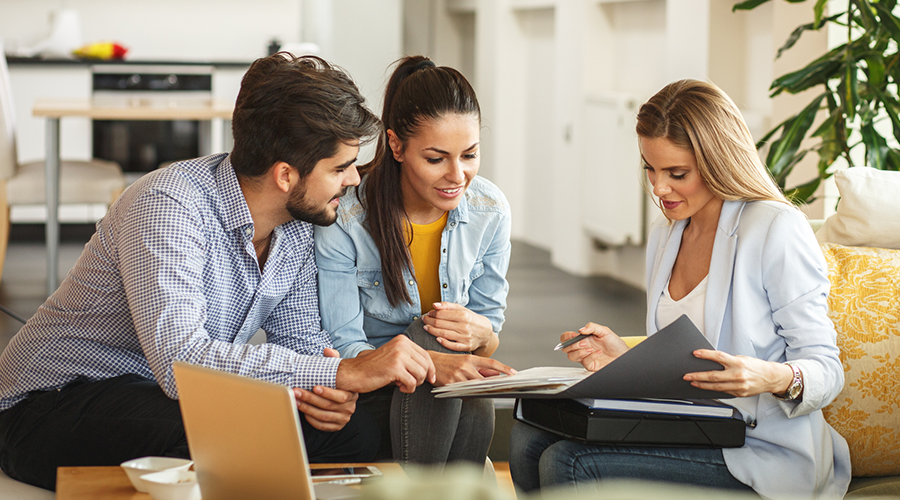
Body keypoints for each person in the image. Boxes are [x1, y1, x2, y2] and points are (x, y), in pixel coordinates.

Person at [0, 53, 437, 491]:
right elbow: (181, 361)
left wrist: (327, 395)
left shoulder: (299, 226)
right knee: (207, 431)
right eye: (340, 168)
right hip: (48, 405)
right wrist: (341, 374)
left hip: (163, 395)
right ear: (285, 175)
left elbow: (304, 343)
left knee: (351, 433)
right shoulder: (168, 206)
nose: (354, 180)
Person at [509, 80, 851, 499]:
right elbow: (686, 362)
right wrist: (625, 355)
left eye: (677, 173)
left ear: (718, 162)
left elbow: (827, 370)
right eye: (649, 168)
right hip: (692, 429)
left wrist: (770, 377)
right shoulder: (667, 233)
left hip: (759, 449)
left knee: (568, 461)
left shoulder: (775, 229)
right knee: (529, 439)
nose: (658, 188)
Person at [314, 56, 514, 468]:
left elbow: (488, 338)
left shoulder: (489, 209)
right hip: (375, 391)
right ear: (396, 145)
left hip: (450, 395)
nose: (457, 175)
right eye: (437, 159)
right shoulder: (347, 218)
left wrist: (481, 333)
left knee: (462, 374)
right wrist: (431, 362)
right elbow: (344, 346)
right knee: (427, 337)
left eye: (470, 155)